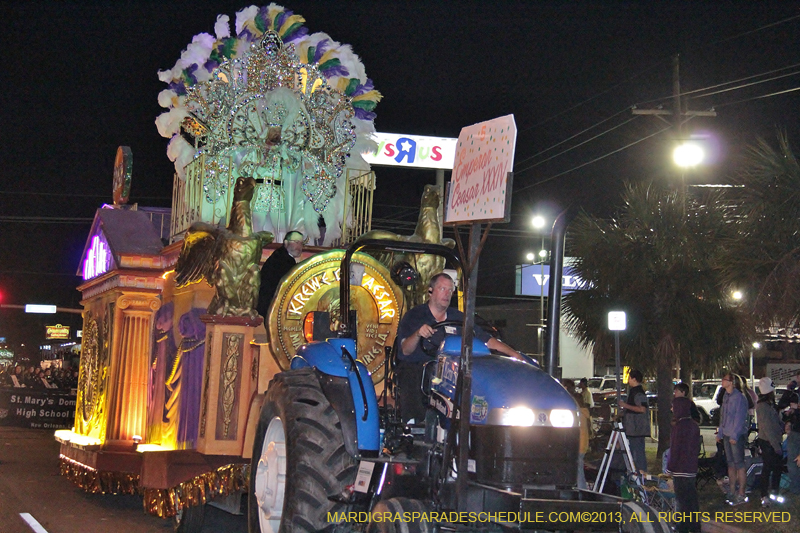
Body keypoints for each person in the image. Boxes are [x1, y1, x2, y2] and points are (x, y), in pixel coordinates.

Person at [396, 272, 522, 424]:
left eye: (450, 290)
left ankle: (476, 421)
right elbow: (405, 350)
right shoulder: (414, 316)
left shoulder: (459, 318)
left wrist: (514, 354)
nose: (447, 294)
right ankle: (413, 423)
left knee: (475, 373)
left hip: (452, 370)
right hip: (423, 368)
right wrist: (417, 334)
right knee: (412, 373)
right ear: (430, 291)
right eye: (443, 289)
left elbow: (486, 339)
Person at [666, 395, 701, 533]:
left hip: (680, 469)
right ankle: (694, 525)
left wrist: (669, 469)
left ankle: (683, 526)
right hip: (691, 468)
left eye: (673, 406)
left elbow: (674, 450)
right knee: (691, 498)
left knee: (682, 499)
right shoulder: (694, 425)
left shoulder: (678, 427)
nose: (671, 409)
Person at [256, 231, 304, 323]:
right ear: (286, 243)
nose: (299, 247)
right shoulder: (282, 259)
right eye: (296, 242)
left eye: (301, 243)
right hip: (272, 306)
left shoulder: (282, 256)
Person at [717, 372, 749, 505]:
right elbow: (723, 416)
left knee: (739, 464)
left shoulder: (739, 397)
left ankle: (741, 492)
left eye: (725, 379)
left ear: (731, 382)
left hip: (735, 435)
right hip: (726, 434)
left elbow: (739, 418)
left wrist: (734, 435)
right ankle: (731, 490)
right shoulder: (725, 396)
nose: (722, 381)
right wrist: (720, 433)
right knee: (730, 463)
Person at [755, 377, 783, 507]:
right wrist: (775, 445)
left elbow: (776, 423)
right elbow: (767, 428)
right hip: (768, 442)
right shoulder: (763, 406)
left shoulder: (769, 405)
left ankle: (774, 492)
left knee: (777, 468)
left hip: (773, 441)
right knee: (767, 468)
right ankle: (764, 495)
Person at [619, 368, 649, 473]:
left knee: (638, 454)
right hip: (633, 429)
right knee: (635, 452)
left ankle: (641, 475)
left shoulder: (638, 393)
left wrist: (625, 405)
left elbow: (642, 409)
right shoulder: (634, 392)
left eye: (629, 378)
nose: (628, 380)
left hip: (636, 429)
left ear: (634, 379)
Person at [564, 379, 590, 489]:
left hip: (578, 444)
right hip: (583, 444)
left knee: (578, 470)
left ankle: (582, 489)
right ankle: (580, 488)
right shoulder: (584, 412)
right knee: (578, 468)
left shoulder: (577, 412)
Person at [777, 370, 800, 496]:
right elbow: (782, 404)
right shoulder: (795, 393)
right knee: (792, 462)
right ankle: (795, 489)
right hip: (795, 430)